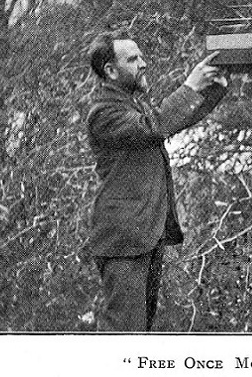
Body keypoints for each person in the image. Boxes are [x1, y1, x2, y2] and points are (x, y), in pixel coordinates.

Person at [85, 30, 227, 331]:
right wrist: (190, 87)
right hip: (124, 239)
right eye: (132, 59)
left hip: (142, 235)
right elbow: (157, 125)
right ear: (111, 71)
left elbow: (171, 121)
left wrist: (214, 89)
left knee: (139, 328)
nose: (144, 63)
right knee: (124, 331)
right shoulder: (104, 113)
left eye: (141, 56)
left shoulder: (130, 106)